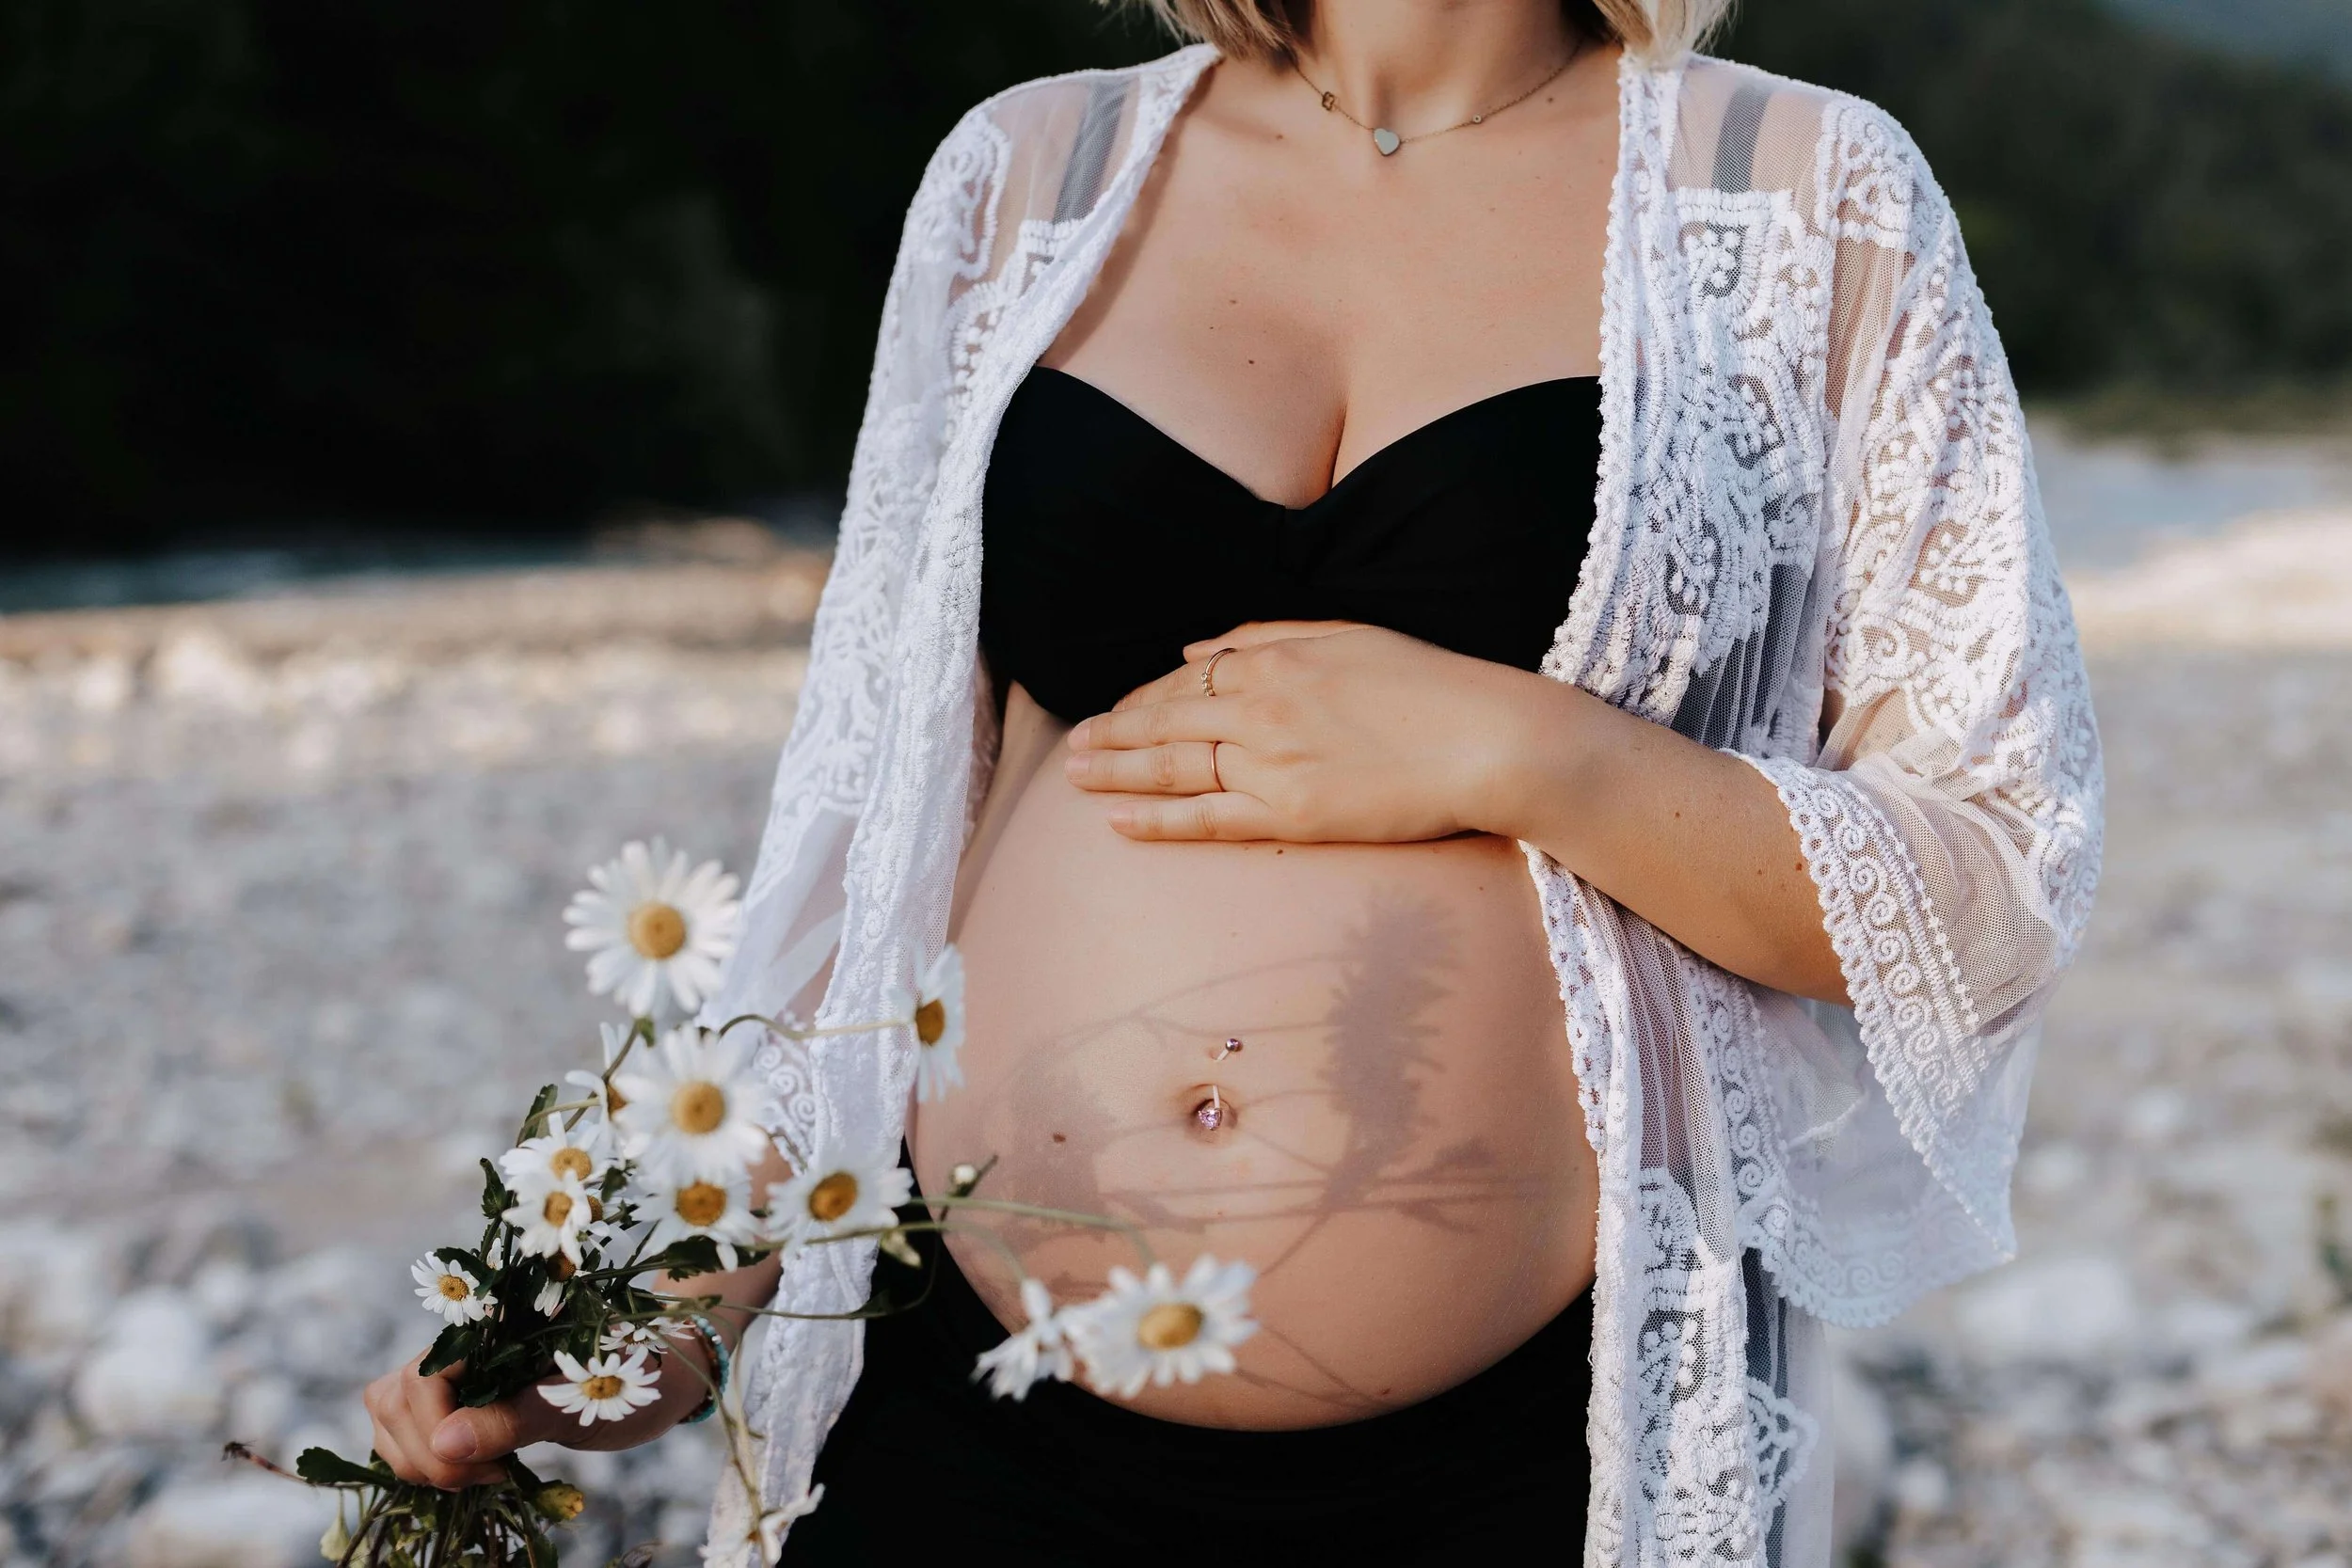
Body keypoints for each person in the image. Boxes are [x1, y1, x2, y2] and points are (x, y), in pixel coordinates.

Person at [364, 1, 2104, 1562]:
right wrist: (631, 1327)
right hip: (971, 1410)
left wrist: (1521, 750)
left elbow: (1995, 886)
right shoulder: (1032, 177)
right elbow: (868, 851)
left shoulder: (1804, 197)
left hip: (1527, 1456)